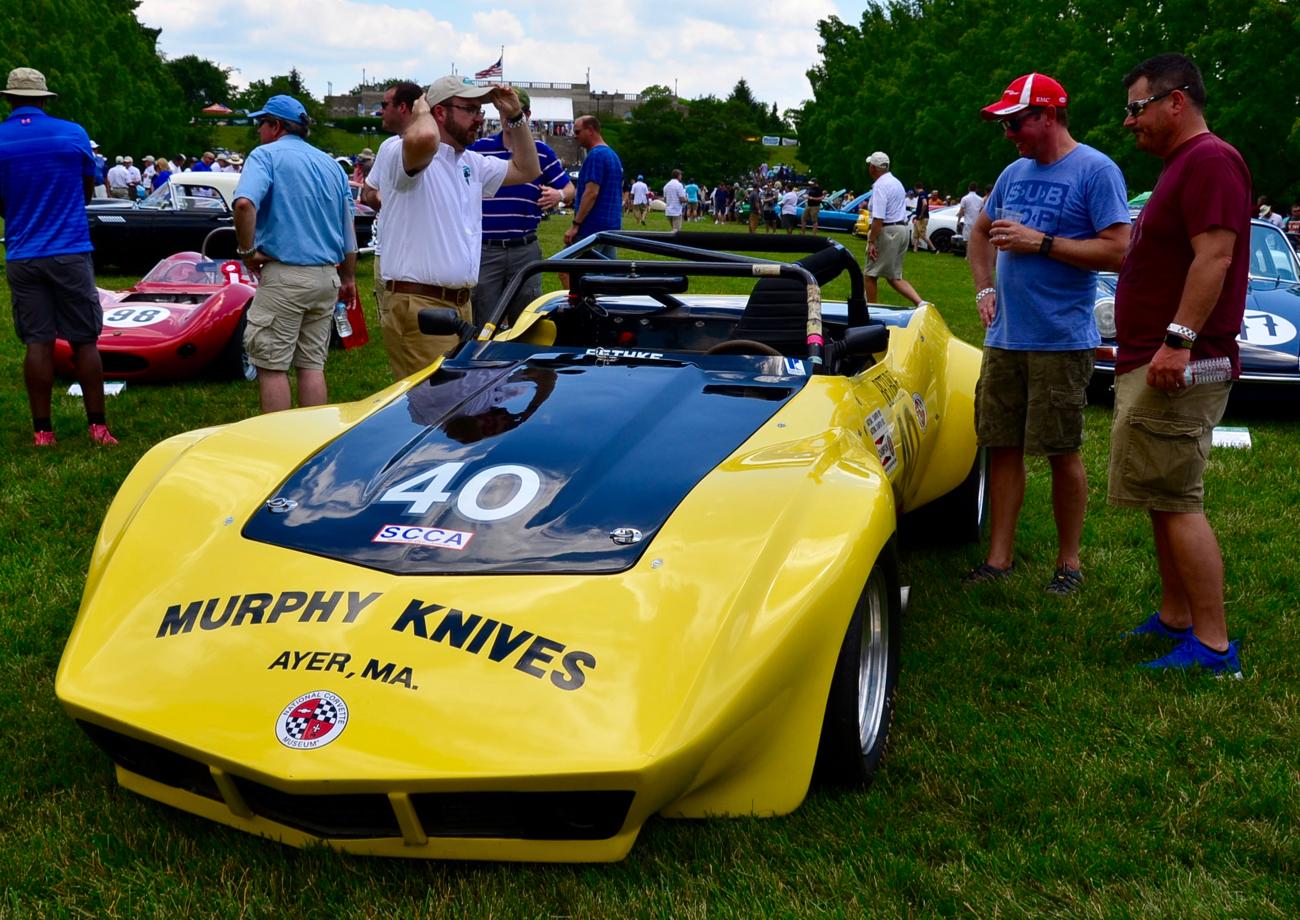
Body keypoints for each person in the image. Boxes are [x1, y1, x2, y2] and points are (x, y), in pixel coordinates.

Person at [1109, 53, 1250, 676]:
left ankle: (1214, 646)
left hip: (1179, 361)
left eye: (1137, 109)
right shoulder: (1180, 167)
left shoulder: (1210, 160)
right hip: (1154, 357)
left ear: (1176, 101)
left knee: (1179, 497)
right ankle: (1175, 616)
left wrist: (1179, 339)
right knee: (1162, 495)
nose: (1129, 122)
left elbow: (1215, 258)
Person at [964, 72, 1130, 593]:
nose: (1009, 135)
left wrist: (1043, 243)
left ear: (1050, 116)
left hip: (1061, 340)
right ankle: (999, 559)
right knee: (1002, 446)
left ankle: (1069, 564)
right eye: (1005, 125)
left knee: (1061, 451)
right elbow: (979, 232)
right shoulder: (1013, 173)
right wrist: (984, 289)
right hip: (1006, 339)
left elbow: (1119, 251)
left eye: (1016, 123)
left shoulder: (1096, 171)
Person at [367, 75, 540, 380]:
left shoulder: (470, 162)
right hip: (420, 304)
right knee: (434, 409)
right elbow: (424, 140)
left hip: (458, 305)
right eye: (470, 110)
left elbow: (528, 169)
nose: (479, 119)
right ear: (440, 113)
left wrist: (515, 117)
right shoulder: (400, 149)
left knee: (452, 408)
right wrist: (421, 108)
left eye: (480, 111)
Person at [0, 67, 117, 447]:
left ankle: (42, 432)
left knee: (38, 341)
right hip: (69, 247)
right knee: (84, 340)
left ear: (9, 99)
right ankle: (97, 427)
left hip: (22, 250)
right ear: (43, 98)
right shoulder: (73, 132)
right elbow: (87, 186)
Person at [233, 94, 357, 414]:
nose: (258, 130)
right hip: (326, 277)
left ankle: (278, 446)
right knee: (312, 364)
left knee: (272, 364)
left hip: (286, 275)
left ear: (275, 126)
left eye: (262, 123)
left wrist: (247, 251)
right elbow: (348, 233)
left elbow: (244, 203)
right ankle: (312, 443)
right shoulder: (332, 165)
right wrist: (349, 277)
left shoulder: (265, 156)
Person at [471, 89, 574, 327]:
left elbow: (569, 190)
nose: (508, 119)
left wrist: (557, 194)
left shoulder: (542, 152)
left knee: (526, 317)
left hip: (524, 247)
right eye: (503, 113)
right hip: (486, 248)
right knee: (483, 316)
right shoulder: (480, 148)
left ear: (527, 115)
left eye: (515, 113)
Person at [359, 81, 422, 366]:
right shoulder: (387, 147)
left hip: (425, 259)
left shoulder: (436, 147)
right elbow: (368, 192)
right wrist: (387, 200)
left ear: (404, 108)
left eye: (385, 105)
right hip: (388, 253)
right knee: (394, 334)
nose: (380, 111)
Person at [863, 151, 928, 306]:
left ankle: (871, 310)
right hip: (902, 229)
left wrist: (872, 241)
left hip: (888, 231)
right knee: (894, 277)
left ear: (873, 168)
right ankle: (921, 303)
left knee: (870, 274)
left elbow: (879, 217)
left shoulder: (880, 186)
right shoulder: (896, 182)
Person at [564, 115, 623, 254]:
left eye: (577, 132)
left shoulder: (595, 155)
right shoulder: (613, 156)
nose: (575, 136)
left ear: (590, 130)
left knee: (570, 271)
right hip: (611, 227)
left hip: (591, 229)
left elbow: (591, 193)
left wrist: (575, 225)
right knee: (607, 274)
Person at [912, 184, 930, 252]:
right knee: (916, 234)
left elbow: (924, 204)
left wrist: (921, 214)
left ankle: (934, 249)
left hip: (922, 217)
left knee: (922, 235)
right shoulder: (923, 194)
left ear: (916, 188)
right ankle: (915, 249)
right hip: (919, 218)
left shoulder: (922, 194)